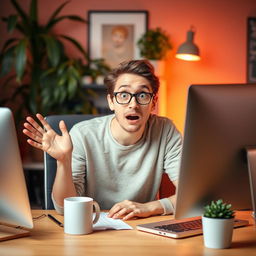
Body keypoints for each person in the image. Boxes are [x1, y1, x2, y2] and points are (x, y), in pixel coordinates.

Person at [23, 60, 182, 220]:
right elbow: (64, 208)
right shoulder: (83, 134)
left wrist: (148, 207)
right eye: (124, 95)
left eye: (142, 95)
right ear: (111, 102)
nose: (133, 105)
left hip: (142, 228)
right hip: (92, 227)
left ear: (153, 102)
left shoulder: (165, 131)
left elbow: (192, 197)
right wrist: (63, 161)